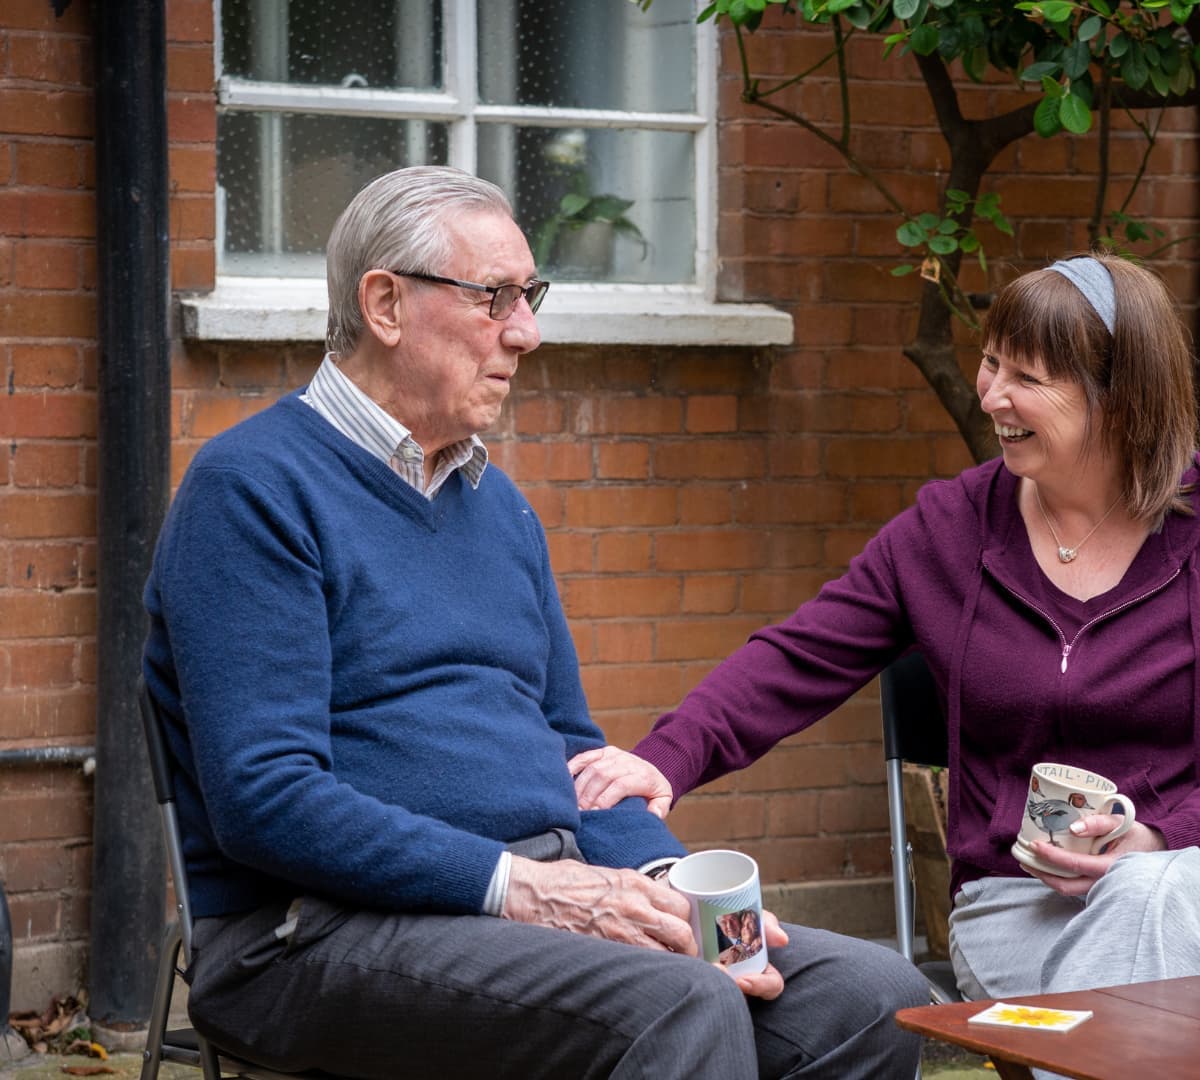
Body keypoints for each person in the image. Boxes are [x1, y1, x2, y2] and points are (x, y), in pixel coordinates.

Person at [143, 165, 926, 1080]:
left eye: (530, 295)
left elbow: (572, 752)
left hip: (533, 900)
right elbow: (266, 800)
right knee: (678, 1005)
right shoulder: (253, 490)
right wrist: (526, 890)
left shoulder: (498, 506)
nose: (527, 331)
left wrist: (667, 887)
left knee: (874, 995)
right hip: (312, 929)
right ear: (386, 304)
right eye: (496, 298)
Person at [572, 251, 1200, 1016]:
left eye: (1027, 379)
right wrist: (665, 760)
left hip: (1184, 883)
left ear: (1121, 399)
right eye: (990, 362)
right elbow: (801, 654)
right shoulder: (948, 532)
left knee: (1152, 896)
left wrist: (1163, 836)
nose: (992, 395)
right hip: (1016, 905)